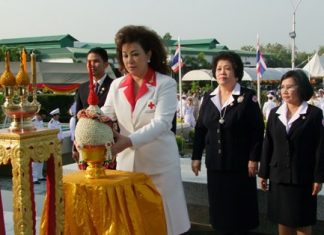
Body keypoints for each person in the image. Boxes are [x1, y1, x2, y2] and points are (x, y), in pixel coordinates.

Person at [101, 25, 190, 235]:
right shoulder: (116, 86)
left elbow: (161, 123)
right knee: (133, 224)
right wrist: (90, 119)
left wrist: (128, 141)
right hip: (127, 168)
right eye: (124, 55)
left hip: (160, 168)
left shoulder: (165, 84)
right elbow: (106, 114)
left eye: (135, 54)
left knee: (165, 225)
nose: (129, 60)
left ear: (148, 54)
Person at [191, 51, 264, 235]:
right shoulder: (209, 98)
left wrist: (253, 158)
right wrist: (196, 157)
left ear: (236, 72)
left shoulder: (247, 97)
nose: (222, 72)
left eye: (227, 68)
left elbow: (257, 130)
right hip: (215, 165)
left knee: (239, 214)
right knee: (219, 211)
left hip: (240, 166)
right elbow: (200, 129)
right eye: (219, 69)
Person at [259, 70, 324, 235]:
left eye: (290, 87)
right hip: (278, 176)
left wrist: (318, 177)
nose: (285, 91)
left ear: (301, 88)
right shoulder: (275, 113)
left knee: (302, 221)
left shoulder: (314, 114)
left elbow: (320, 147)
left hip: (303, 177)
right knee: (283, 220)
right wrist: (263, 172)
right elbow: (269, 144)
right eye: (282, 87)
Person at [73, 47, 114, 162]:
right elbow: (78, 118)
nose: (92, 65)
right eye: (89, 62)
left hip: (108, 144)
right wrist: (75, 146)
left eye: (96, 61)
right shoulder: (82, 88)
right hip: (87, 146)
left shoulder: (114, 85)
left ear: (106, 64)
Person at [31, 110, 46, 184]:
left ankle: (40, 176)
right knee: (35, 161)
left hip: (41, 143)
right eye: (41, 116)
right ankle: (34, 178)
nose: (42, 118)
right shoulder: (32, 121)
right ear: (37, 114)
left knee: (41, 160)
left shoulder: (41, 121)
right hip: (34, 144)